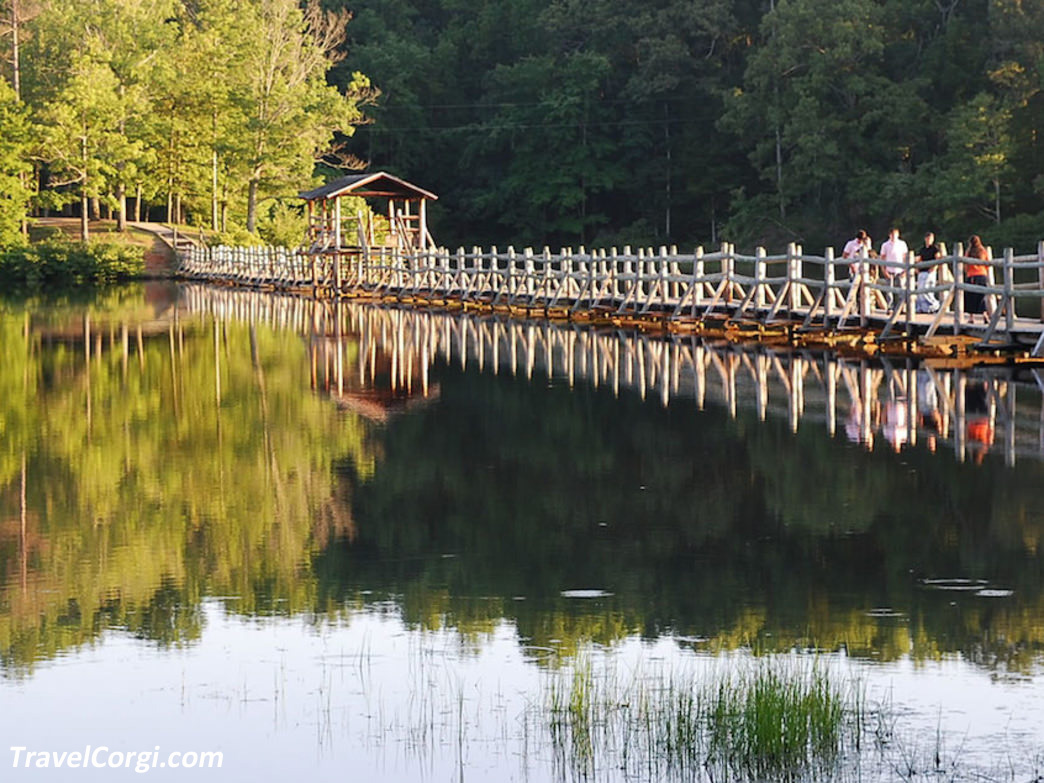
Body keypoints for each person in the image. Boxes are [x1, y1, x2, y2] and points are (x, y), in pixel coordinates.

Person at [964, 235, 992, 323]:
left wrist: (967, 272)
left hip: (972, 276)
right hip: (982, 275)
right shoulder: (983, 251)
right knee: (981, 296)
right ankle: (984, 314)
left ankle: (971, 317)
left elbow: (965, 264)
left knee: (970, 296)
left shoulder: (969, 252)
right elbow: (987, 264)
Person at [878, 228, 909, 310]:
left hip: (900, 270)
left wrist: (905, 270)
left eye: (895, 235)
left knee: (902, 289)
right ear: (889, 235)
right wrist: (884, 270)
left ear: (898, 235)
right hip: (889, 270)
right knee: (889, 290)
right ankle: (890, 307)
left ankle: (901, 307)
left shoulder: (902, 244)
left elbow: (905, 257)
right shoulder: (885, 245)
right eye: (892, 235)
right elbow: (883, 258)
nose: (893, 237)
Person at [914, 232, 942, 314]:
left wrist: (934, 267)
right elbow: (919, 258)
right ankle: (923, 308)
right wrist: (915, 268)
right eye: (927, 238)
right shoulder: (922, 249)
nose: (929, 240)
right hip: (922, 271)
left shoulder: (935, 248)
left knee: (927, 289)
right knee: (920, 290)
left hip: (929, 272)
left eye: (930, 238)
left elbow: (938, 258)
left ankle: (935, 305)